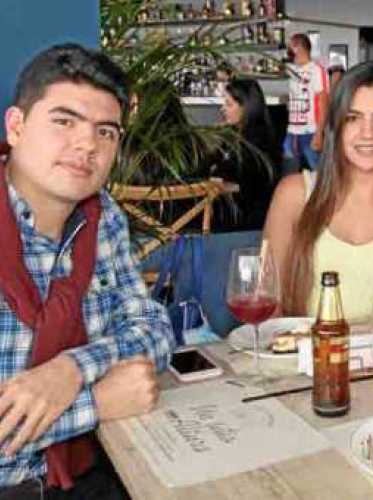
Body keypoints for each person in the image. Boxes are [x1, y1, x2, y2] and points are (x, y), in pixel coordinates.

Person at [0, 43, 174, 497]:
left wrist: (73, 368)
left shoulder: (101, 216)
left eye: (106, 132)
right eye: (64, 121)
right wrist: (95, 402)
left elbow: (152, 328)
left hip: (93, 473)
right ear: (16, 126)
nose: (86, 145)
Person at [264, 61, 373, 323]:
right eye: (353, 118)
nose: (367, 133)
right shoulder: (294, 195)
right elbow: (268, 302)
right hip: (307, 359)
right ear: (336, 127)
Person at [215, 78, 280, 231]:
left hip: (247, 222)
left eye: (229, 104)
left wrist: (216, 186)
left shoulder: (259, 143)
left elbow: (251, 187)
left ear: (246, 107)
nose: (223, 109)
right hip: (227, 212)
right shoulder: (232, 136)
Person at [284, 32, 329, 173]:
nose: (289, 51)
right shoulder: (293, 71)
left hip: (310, 130)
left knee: (317, 172)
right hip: (292, 130)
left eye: (291, 47)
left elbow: (324, 102)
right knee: (289, 173)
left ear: (299, 47)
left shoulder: (316, 70)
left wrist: (319, 133)